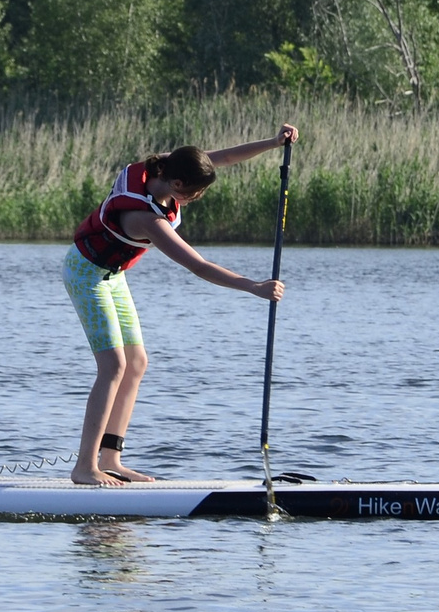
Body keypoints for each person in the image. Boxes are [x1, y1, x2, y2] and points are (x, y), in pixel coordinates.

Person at [61, 125, 294, 485]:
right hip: (85, 273)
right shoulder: (145, 218)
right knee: (113, 366)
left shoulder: (166, 169)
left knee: (136, 363)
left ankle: (111, 458)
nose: (200, 196)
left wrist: (273, 143)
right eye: (198, 191)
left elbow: (225, 157)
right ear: (178, 186)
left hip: (113, 274)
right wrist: (253, 287)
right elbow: (198, 266)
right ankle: (84, 467)